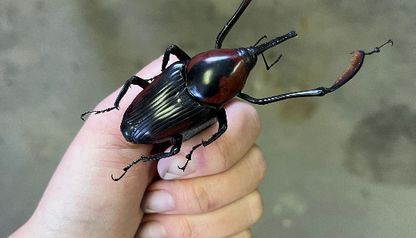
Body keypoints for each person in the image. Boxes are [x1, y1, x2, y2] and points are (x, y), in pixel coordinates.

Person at [10, 56, 267, 238]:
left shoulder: (179, 69)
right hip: (144, 125)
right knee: (183, 147)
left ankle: (139, 156)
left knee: (185, 144)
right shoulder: (197, 90)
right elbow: (221, 129)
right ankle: (137, 154)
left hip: (149, 118)